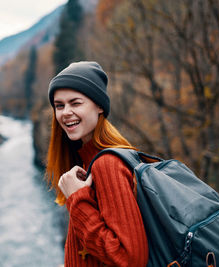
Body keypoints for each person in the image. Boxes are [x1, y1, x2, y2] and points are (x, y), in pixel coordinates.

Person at [45, 61, 149, 266]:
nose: (65, 112)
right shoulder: (87, 163)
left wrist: (77, 199)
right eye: (59, 105)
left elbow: (131, 259)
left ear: (99, 106)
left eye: (75, 103)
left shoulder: (107, 164)